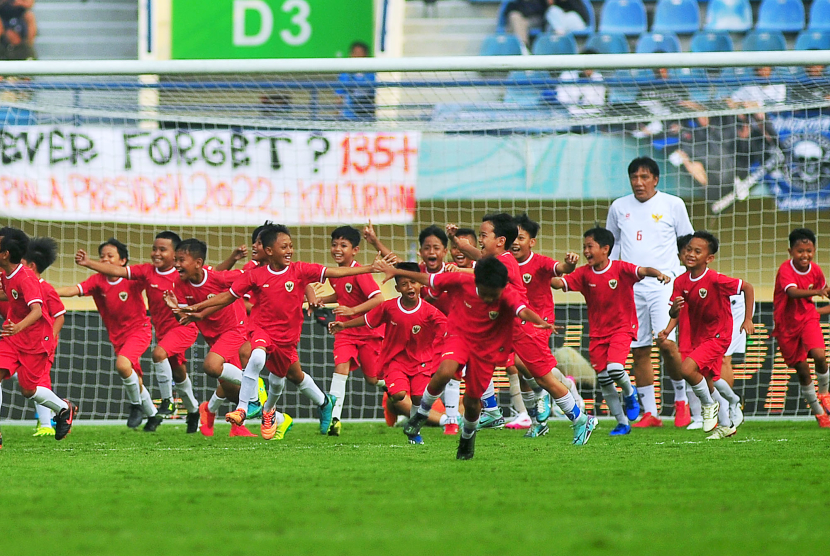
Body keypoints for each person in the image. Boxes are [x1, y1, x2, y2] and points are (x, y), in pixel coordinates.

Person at [176, 224, 392, 437]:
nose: (289, 251)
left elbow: (334, 272)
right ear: (270, 251)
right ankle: (245, 406)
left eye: (290, 246)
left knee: (285, 378)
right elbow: (228, 295)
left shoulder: (300, 270)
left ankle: (305, 405)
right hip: (261, 330)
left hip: (287, 337)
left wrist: (369, 269)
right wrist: (196, 307)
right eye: (284, 247)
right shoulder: (255, 274)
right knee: (255, 355)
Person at [379, 256, 595, 460]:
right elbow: (428, 278)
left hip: (486, 347)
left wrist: (540, 321)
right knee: (445, 371)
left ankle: (467, 438)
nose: (491, 298)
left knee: (474, 402)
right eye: (487, 293)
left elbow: (522, 311)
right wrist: (395, 270)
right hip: (459, 335)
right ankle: (420, 416)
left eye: (495, 294)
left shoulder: (506, 291)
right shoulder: (463, 280)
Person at [74, 231, 201, 432]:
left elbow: (211, 275)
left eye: (162, 250)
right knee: (178, 373)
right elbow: (119, 272)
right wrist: (88, 263)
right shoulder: (146, 271)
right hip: (162, 331)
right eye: (154, 249)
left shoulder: (181, 273)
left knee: (158, 354)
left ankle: (167, 401)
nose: (156, 253)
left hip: (183, 326)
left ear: (175, 254)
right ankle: (193, 411)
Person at [552, 227, 670, 435]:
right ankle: (622, 423)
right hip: (597, 334)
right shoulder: (583, 273)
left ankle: (630, 391)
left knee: (616, 368)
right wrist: (543, 274)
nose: (586, 251)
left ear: (605, 249)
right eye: (584, 247)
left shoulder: (620, 269)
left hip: (622, 329)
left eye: (590, 246)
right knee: (605, 381)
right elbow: (558, 283)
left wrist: (659, 274)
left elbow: (642, 270)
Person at [606, 156, 694, 428]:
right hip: (631, 287)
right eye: (634, 177)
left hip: (664, 285)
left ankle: (682, 401)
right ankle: (651, 413)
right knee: (639, 350)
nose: (639, 182)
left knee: (666, 343)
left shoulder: (673, 204)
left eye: (644, 177)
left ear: (656, 179)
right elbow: (613, 246)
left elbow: (688, 243)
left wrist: (684, 281)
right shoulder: (619, 207)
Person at [329, 262, 449, 444]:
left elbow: (448, 329)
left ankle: (413, 429)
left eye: (413, 282)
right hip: (395, 361)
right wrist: (344, 325)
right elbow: (368, 320)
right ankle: (394, 409)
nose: (410, 286)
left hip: (421, 362)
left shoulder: (430, 312)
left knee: (418, 397)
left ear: (421, 284)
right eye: (404, 284)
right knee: (399, 394)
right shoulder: (389, 307)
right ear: (397, 288)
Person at [363, 222, 461, 434]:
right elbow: (398, 265)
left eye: (436, 247)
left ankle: (453, 421)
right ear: (421, 252)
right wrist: (374, 242)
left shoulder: (453, 272)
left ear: (445, 252)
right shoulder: (417, 273)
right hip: (417, 343)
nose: (431, 252)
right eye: (427, 248)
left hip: (444, 336)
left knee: (451, 375)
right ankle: (396, 405)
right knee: (404, 394)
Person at [657, 231, 753, 440]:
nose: (690, 254)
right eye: (688, 249)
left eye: (697, 251)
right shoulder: (680, 282)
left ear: (709, 258)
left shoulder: (716, 279)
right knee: (709, 380)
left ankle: (710, 406)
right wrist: (668, 327)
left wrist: (748, 319)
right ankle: (727, 424)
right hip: (699, 337)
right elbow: (676, 311)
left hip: (719, 336)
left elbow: (747, 287)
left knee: (686, 369)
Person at [57, 239, 161, 431]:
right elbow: (73, 290)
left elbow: (154, 282)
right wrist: (48, 292)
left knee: (122, 365)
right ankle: (153, 416)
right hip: (117, 336)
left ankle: (136, 406)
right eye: (102, 256)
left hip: (139, 330)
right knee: (134, 377)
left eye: (110, 256)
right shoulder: (97, 281)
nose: (105, 259)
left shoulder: (132, 278)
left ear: (122, 261)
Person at [164, 239, 262, 438]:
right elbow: (184, 318)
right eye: (176, 260)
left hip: (235, 328)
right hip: (211, 335)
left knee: (213, 366)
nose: (176, 265)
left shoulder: (219, 277)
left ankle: (252, 392)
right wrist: (175, 308)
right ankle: (212, 411)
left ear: (198, 263)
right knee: (228, 385)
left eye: (181, 260)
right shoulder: (179, 284)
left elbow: (246, 278)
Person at [0, 227, 75, 447]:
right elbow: (9, 294)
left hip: (33, 340)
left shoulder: (27, 279)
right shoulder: (8, 275)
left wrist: (19, 327)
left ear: (5, 254)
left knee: (28, 390)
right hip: (13, 339)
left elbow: (37, 311)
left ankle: (63, 408)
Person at [507, 213, 582, 429]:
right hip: (516, 322)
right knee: (526, 370)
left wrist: (570, 265)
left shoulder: (539, 262)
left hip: (540, 322)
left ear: (531, 242)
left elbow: (561, 269)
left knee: (523, 364)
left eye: (521, 238)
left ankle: (547, 394)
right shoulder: (506, 263)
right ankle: (537, 421)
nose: (515, 242)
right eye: (513, 237)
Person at [319, 226, 386, 437]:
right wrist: (321, 300)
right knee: (341, 368)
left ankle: (394, 388)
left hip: (367, 331)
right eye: (334, 245)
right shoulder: (334, 274)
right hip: (344, 330)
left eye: (343, 245)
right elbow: (341, 295)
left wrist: (352, 310)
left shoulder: (360, 273)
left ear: (355, 250)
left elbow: (378, 299)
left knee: (372, 379)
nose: (337, 249)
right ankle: (334, 419)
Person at [771, 228, 830, 427]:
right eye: (800, 251)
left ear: (814, 250)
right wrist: (819, 291)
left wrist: (823, 299)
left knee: (820, 355)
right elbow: (792, 293)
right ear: (790, 251)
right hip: (786, 326)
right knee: (803, 370)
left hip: (807, 320)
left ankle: (824, 393)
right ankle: (820, 413)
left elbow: (824, 290)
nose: (805, 255)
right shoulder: (785, 270)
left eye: (809, 250)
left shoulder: (816, 270)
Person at [20, 237, 65, 437]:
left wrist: (51, 339)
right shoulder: (17, 286)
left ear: (31, 265)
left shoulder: (45, 288)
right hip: (21, 342)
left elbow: (59, 315)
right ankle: (60, 410)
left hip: (40, 344)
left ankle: (47, 423)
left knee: (38, 382)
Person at [336, 41, 375, 122]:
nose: (357, 56)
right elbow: (339, 96)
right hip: (347, 116)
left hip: (366, 115)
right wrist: (337, 114)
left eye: (360, 53)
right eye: (355, 53)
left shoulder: (371, 74)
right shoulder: (344, 74)